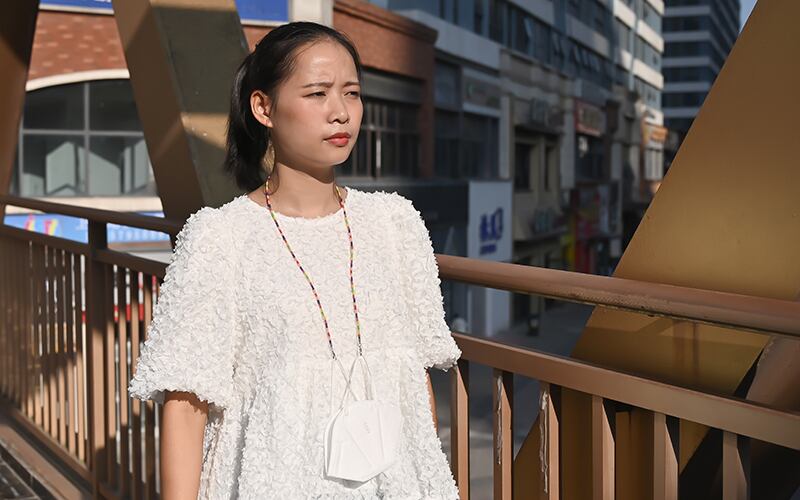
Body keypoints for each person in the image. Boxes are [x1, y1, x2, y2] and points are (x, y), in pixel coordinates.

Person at [128, 21, 462, 499]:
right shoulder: (220, 237)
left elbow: (414, 382)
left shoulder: (396, 224)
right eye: (317, 93)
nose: (341, 112)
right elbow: (185, 404)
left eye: (352, 93)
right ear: (263, 107)